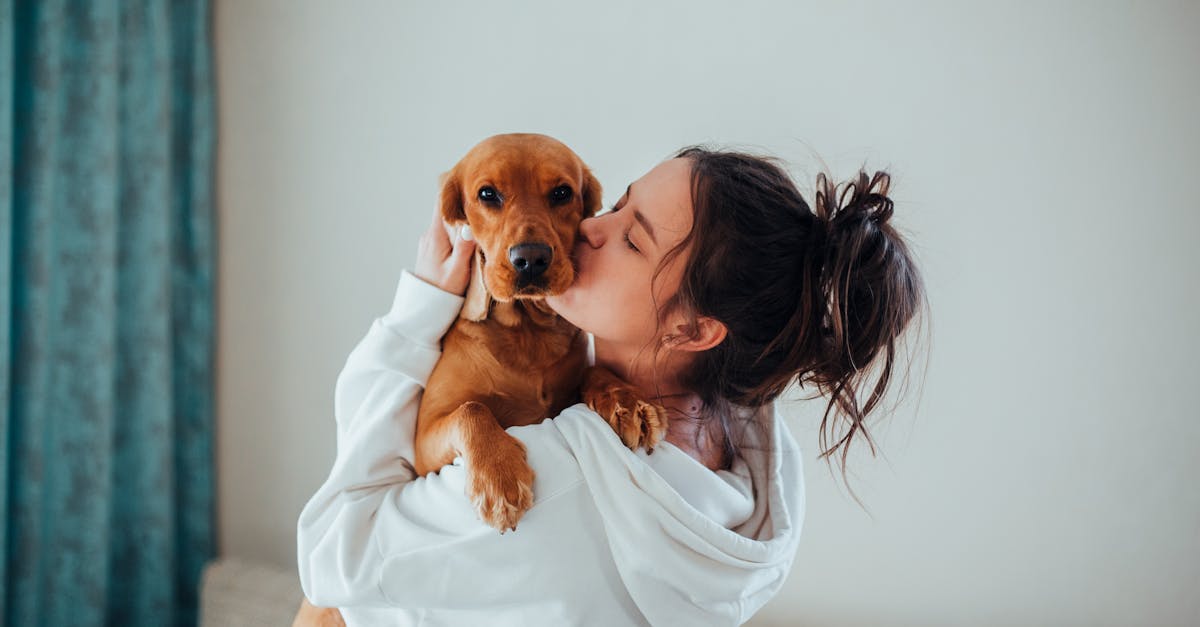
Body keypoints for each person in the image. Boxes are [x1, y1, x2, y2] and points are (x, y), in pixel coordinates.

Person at [296, 146, 928, 626]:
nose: (589, 229)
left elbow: (330, 558)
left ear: (695, 328)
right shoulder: (761, 466)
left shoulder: (554, 476)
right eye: (616, 204)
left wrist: (413, 317)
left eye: (632, 237)